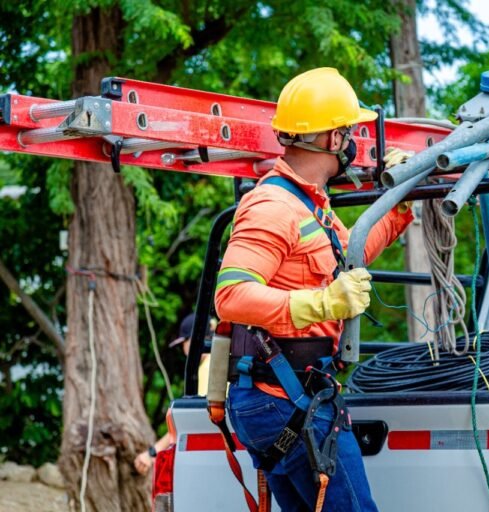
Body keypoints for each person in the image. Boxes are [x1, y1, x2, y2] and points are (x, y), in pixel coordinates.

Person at [214, 67, 413, 511]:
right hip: (284, 396)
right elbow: (231, 296)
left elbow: (350, 253)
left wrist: (400, 201)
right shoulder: (273, 206)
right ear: (328, 139)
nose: (351, 142)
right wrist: (322, 303)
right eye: (347, 132)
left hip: (284, 397)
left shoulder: (309, 205)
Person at [133, 313, 212, 476]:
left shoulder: (207, 368)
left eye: (183, 343)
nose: (183, 350)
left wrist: (152, 453)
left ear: (195, 339)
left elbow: (193, 421)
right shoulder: (220, 362)